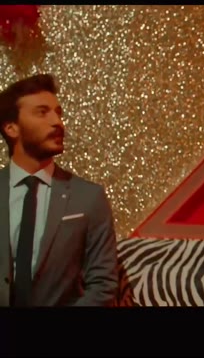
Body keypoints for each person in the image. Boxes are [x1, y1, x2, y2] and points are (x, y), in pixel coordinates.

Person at [0, 74, 118, 307]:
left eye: (58, 113)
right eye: (42, 112)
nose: (58, 122)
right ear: (12, 128)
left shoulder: (88, 197)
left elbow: (103, 285)